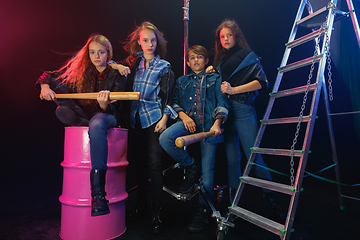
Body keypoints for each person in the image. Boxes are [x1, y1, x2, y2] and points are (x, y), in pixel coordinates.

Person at [37, 34, 126, 217]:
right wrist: (45, 87)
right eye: (92, 52)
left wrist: (104, 104)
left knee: (97, 121)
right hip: (85, 113)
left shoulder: (117, 73)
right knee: (58, 85)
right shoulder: (82, 70)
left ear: (108, 53)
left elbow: (116, 107)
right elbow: (49, 75)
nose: (96, 56)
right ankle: (79, 120)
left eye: (101, 52)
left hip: (107, 115)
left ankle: (98, 194)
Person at [207, 19, 284, 221]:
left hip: (242, 110)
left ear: (236, 35)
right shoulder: (220, 61)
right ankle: (233, 207)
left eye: (228, 35)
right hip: (226, 112)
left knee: (255, 158)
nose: (225, 39)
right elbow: (219, 86)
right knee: (233, 161)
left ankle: (274, 204)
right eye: (222, 36)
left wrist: (233, 90)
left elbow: (262, 82)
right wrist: (212, 71)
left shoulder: (247, 54)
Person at [111, 21, 176, 234]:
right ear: (139, 42)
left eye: (153, 40)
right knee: (138, 165)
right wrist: (117, 66)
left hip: (155, 120)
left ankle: (157, 212)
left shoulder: (163, 67)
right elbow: (106, 62)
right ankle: (141, 205)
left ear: (157, 42)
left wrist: (165, 119)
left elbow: (168, 97)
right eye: (145, 40)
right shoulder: (131, 64)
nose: (149, 44)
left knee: (155, 165)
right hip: (134, 119)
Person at [159, 45, 230, 232]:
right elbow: (174, 101)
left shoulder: (215, 78)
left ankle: (202, 209)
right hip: (189, 123)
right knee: (166, 137)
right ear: (187, 62)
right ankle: (190, 165)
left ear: (206, 60)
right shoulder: (182, 81)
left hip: (208, 126)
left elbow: (222, 101)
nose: (196, 60)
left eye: (200, 57)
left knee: (208, 174)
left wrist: (217, 123)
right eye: (192, 58)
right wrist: (184, 116)